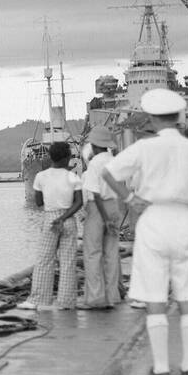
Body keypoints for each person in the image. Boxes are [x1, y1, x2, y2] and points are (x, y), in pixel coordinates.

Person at [102, 88, 188, 375]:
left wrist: (130, 198)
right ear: (179, 117)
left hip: (153, 221)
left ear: (152, 119)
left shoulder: (144, 148)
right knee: (187, 296)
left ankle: (160, 369)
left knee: (155, 297)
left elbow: (108, 172)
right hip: (185, 220)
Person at [22, 141, 82, 310]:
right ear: (68, 158)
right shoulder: (73, 177)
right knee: (68, 261)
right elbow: (79, 203)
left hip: (50, 218)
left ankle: (39, 300)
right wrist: (63, 217)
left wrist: (54, 212)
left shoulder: (41, 176)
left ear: (50, 157)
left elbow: (39, 202)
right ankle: (66, 301)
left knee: (44, 260)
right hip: (68, 219)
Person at [78, 126, 122, 309]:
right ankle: (113, 296)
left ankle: (96, 298)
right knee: (111, 253)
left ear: (95, 146)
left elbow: (94, 193)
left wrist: (104, 219)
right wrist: (111, 219)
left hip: (99, 208)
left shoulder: (95, 164)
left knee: (93, 253)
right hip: (114, 205)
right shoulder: (115, 161)